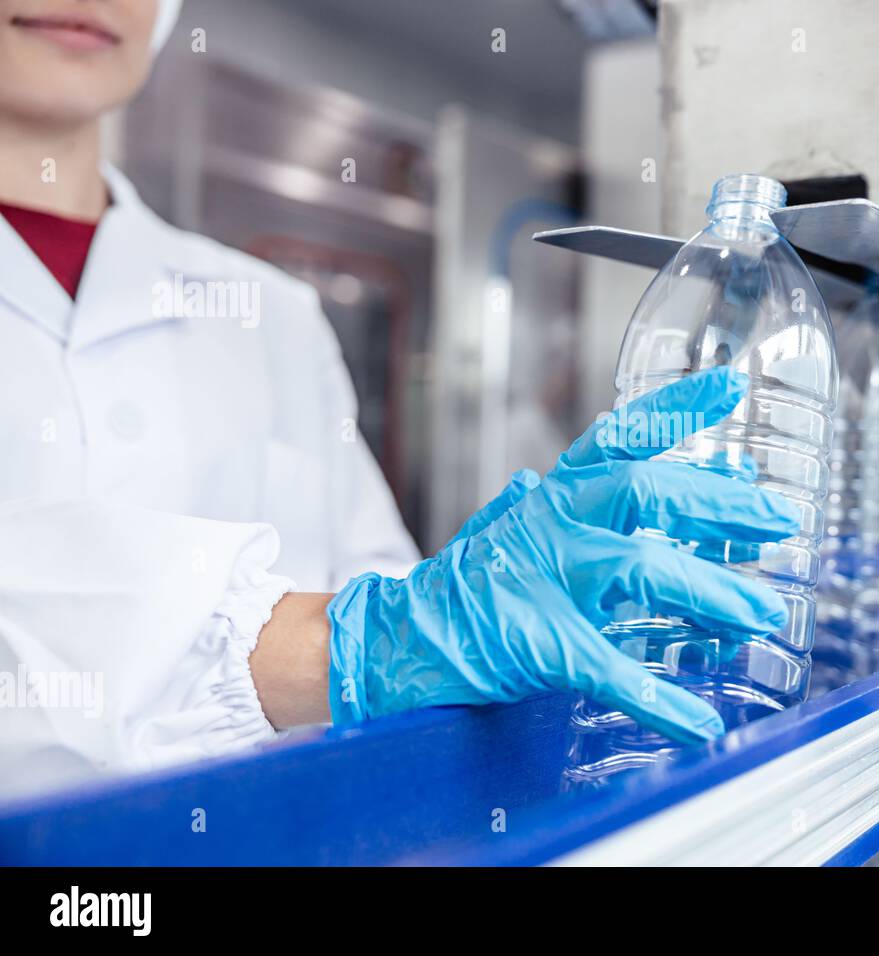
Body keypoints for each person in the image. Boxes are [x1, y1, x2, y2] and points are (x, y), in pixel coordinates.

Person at [0, 1, 796, 797]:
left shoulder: (269, 312)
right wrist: (358, 645)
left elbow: (380, 591)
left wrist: (469, 607)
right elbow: (358, 642)